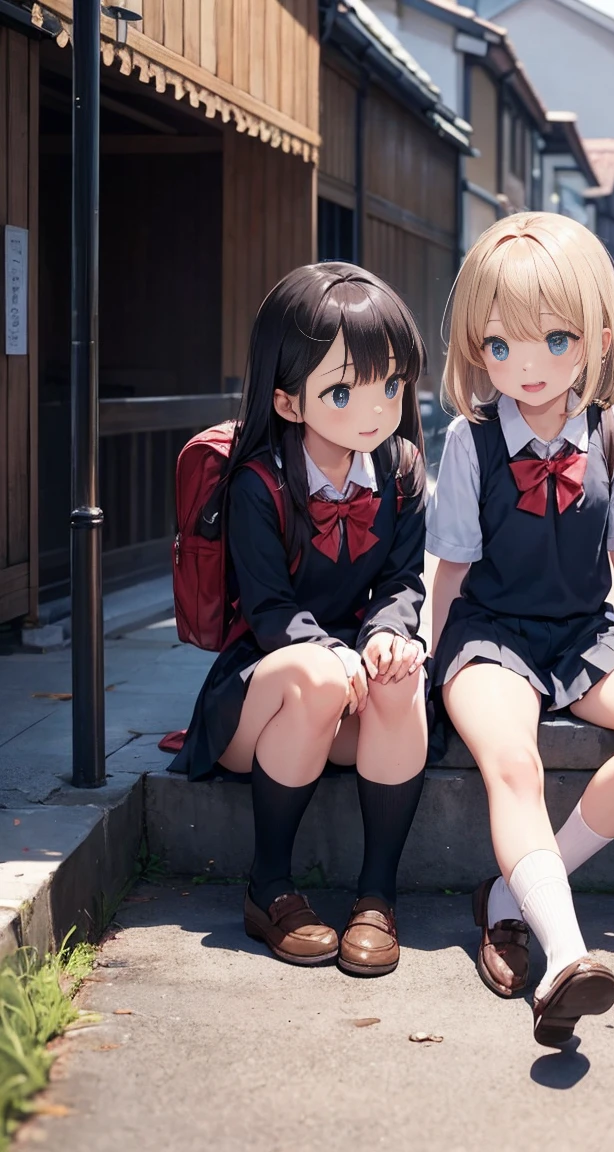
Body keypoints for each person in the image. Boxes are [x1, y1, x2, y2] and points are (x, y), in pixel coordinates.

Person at [428, 213, 614, 1046]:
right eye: (501, 345)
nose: (530, 365)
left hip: (587, 631)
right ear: (478, 349)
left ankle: (510, 899)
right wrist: (430, 664)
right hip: (490, 634)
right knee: (512, 759)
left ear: (595, 335)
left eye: (556, 339)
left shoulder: (611, 434)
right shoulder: (467, 442)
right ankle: (564, 954)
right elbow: (447, 571)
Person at [170, 264, 428, 977]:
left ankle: (376, 897)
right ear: (288, 400)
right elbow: (269, 611)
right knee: (316, 675)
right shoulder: (258, 484)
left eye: (390, 385)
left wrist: (385, 636)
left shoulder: (402, 468)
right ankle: (269, 888)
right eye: (343, 391)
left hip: (349, 695)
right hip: (263, 691)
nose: (373, 409)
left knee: (404, 678)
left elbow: (403, 582)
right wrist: (332, 653)